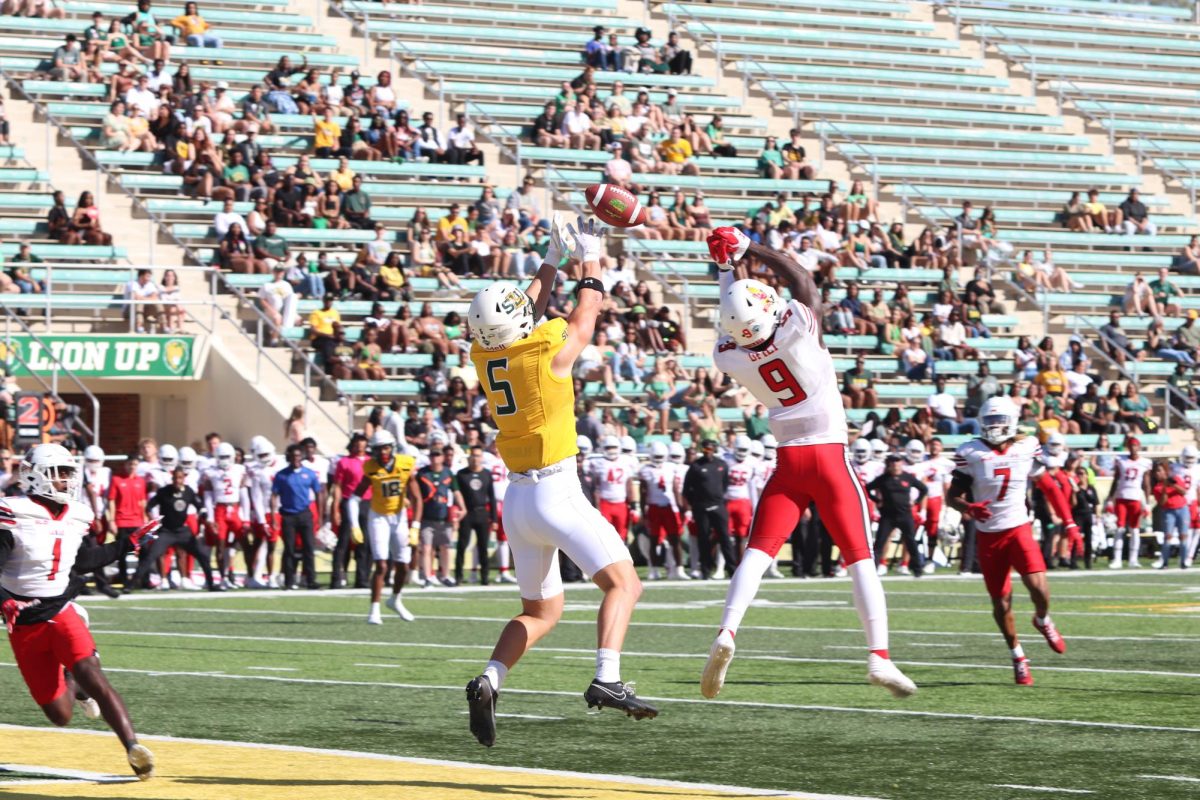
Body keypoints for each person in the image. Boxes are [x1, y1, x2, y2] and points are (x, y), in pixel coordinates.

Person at [698, 225, 916, 700]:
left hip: (788, 463)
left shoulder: (730, 358)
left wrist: (724, 267)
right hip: (830, 457)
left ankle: (726, 632)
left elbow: (736, 314)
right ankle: (879, 655)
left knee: (757, 553)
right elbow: (802, 281)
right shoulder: (797, 330)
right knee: (861, 560)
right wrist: (748, 247)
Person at [464, 214, 657, 748]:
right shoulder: (544, 350)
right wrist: (589, 256)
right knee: (625, 584)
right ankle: (608, 679)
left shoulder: (486, 355)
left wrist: (550, 257)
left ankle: (490, 679)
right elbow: (587, 312)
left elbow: (519, 311)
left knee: (540, 611)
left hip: (517, 500)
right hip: (556, 490)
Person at [0, 444, 158, 780]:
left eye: (70, 473)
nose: (67, 480)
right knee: (60, 715)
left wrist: (126, 545)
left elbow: (83, 561)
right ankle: (71, 679)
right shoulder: (13, 512)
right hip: (25, 621)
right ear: (35, 474)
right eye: (61, 473)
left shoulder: (77, 513)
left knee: (93, 672)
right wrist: (4, 600)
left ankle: (133, 748)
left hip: (62, 610)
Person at [946, 396, 1067, 686]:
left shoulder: (1026, 446)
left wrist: (1069, 521)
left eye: (1000, 421)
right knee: (1001, 602)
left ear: (1012, 422)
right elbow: (953, 496)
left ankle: (1041, 619)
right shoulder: (970, 451)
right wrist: (968, 507)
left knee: (1039, 587)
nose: (995, 426)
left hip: (1018, 528)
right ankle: (1018, 656)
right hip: (989, 535)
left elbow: (1048, 484)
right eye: (989, 421)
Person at [346, 429, 421, 623]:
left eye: (386, 447)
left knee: (403, 565)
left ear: (392, 447)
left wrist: (415, 526)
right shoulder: (370, 467)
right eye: (379, 449)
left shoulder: (406, 464)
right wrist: (355, 525)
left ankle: (395, 599)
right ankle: (374, 609)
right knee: (381, 563)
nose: (383, 452)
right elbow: (354, 499)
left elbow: (417, 498)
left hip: (399, 517)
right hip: (378, 517)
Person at [139, 467, 215, 591]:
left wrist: (206, 519)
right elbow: (149, 506)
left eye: (180, 478)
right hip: (165, 529)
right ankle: (159, 580)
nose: (177, 480)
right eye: (175, 478)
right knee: (157, 554)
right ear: (171, 478)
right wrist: (153, 522)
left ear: (184, 478)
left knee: (191, 553)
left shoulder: (188, 491)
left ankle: (190, 579)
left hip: (181, 528)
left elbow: (199, 506)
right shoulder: (163, 490)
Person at [270, 443, 326, 590]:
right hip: (288, 515)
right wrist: (274, 517)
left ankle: (310, 580)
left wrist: (320, 516)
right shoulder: (281, 475)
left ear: (302, 457)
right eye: (293, 456)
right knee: (289, 549)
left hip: (305, 514)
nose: (296, 459)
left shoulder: (309, 473)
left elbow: (318, 493)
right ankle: (289, 580)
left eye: (298, 456)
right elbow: (274, 496)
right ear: (288, 457)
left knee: (308, 548)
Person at [867, 455, 927, 577]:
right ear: (889, 466)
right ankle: (873, 569)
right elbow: (867, 488)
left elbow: (924, 489)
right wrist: (877, 500)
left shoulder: (908, 477)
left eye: (898, 463)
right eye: (893, 464)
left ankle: (917, 569)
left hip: (905, 515)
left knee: (911, 542)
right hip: (888, 516)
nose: (895, 466)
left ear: (901, 464)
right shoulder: (883, 479)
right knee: (879, 542)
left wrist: (916, 502)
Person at [200, 442, 245, 590]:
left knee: (244, 542)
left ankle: (251, 575)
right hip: (220, 509)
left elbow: (245, 495)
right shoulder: (210, 472)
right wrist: (211, 518)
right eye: (222, 457)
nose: (224, 460)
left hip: (236, 507)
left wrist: (245, 517)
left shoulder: (240, 469)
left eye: (227, 457)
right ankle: (223, 578)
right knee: (220, 544)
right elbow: (207, 497)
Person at [1103, 437, 1152, 569]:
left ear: (1139, 447)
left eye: (1135, 445)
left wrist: (1147, 503)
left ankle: (1133, 559)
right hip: (1121, 497)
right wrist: (1109, 498)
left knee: (1135, 529)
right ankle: (1117, 559)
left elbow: (1146, 485)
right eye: (1131, 445)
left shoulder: (1145, 462)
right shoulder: (1121, 460)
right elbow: (1116, 480)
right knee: (1119, 528)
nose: (1133, 448)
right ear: (1128, 447)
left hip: (1136, 497)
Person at [454, 446, 496, 586]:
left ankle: (484, 577)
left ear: (481, 458)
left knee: (483, 547)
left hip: (482, 513)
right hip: (467, 514)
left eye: (478, 456)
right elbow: (456, 495)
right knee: (462, 545)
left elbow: (492, 497)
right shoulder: (461, 474)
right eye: (473, 455)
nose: (475, 458)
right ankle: (458, 577)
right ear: (469, 457)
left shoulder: (487, 474)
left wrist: (494, 518)